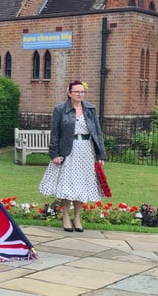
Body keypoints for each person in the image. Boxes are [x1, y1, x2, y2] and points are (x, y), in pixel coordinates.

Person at [39, 80, 107, 232]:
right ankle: (65, 217)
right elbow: (55, 134)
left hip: (86, 151)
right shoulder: (60, 109)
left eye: (82, 92)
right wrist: (54, 154)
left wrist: (101, 154)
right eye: (76, 91)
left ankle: (77, 218)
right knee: (68, 184)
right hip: (68, 150)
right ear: (69, 93)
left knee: (81, 185)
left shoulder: (90, 109)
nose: (79, 94)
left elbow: (97, 133)